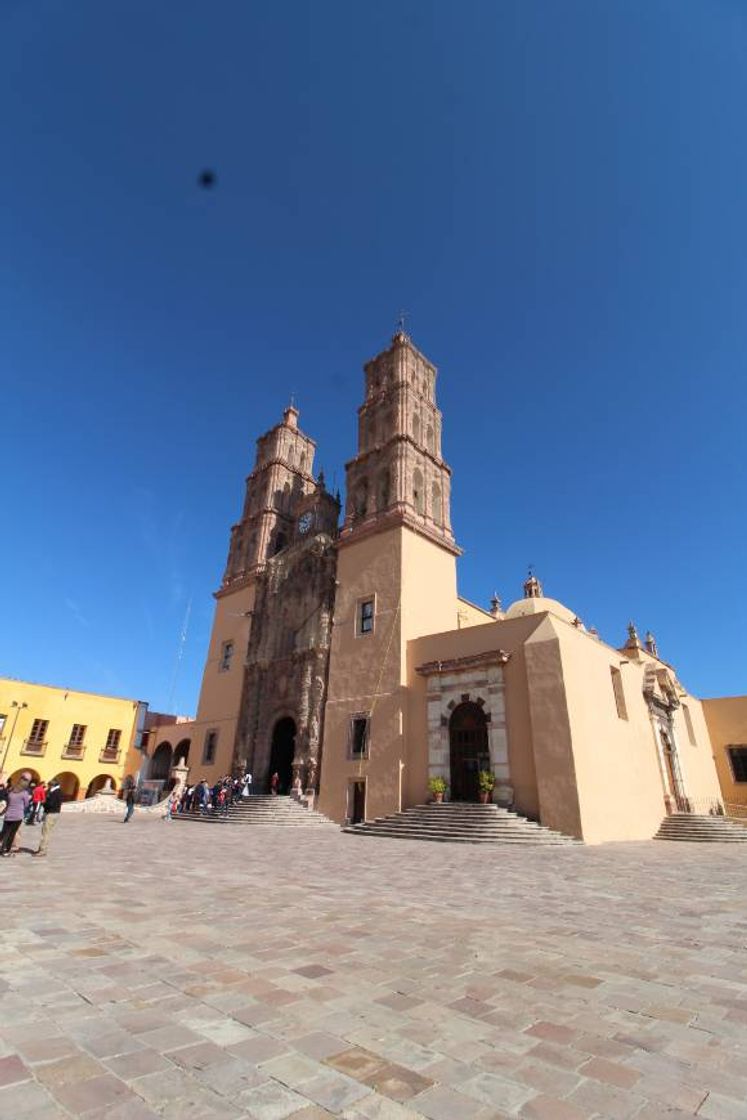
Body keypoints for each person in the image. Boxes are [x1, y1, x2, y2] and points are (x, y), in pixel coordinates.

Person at [0, 781, 31, 856]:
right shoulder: (24, 793)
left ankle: (2, 848)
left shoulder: (11, 793)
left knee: (4, 832)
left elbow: (8, 803)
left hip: (8, 815)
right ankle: (6, 850)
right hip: (17, 816)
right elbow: (26, 804)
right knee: (11, 833)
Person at [34, 779, 62, 857]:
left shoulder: (55, 793)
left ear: (52, 785)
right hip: (54, 813)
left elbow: (51, 804)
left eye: (49, 786)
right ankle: (42, 849)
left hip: (51, 814)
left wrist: (44, 803)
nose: (48, 787)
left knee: (45, 833)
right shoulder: (58, 791)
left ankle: (42, 850)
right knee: (46, 832)